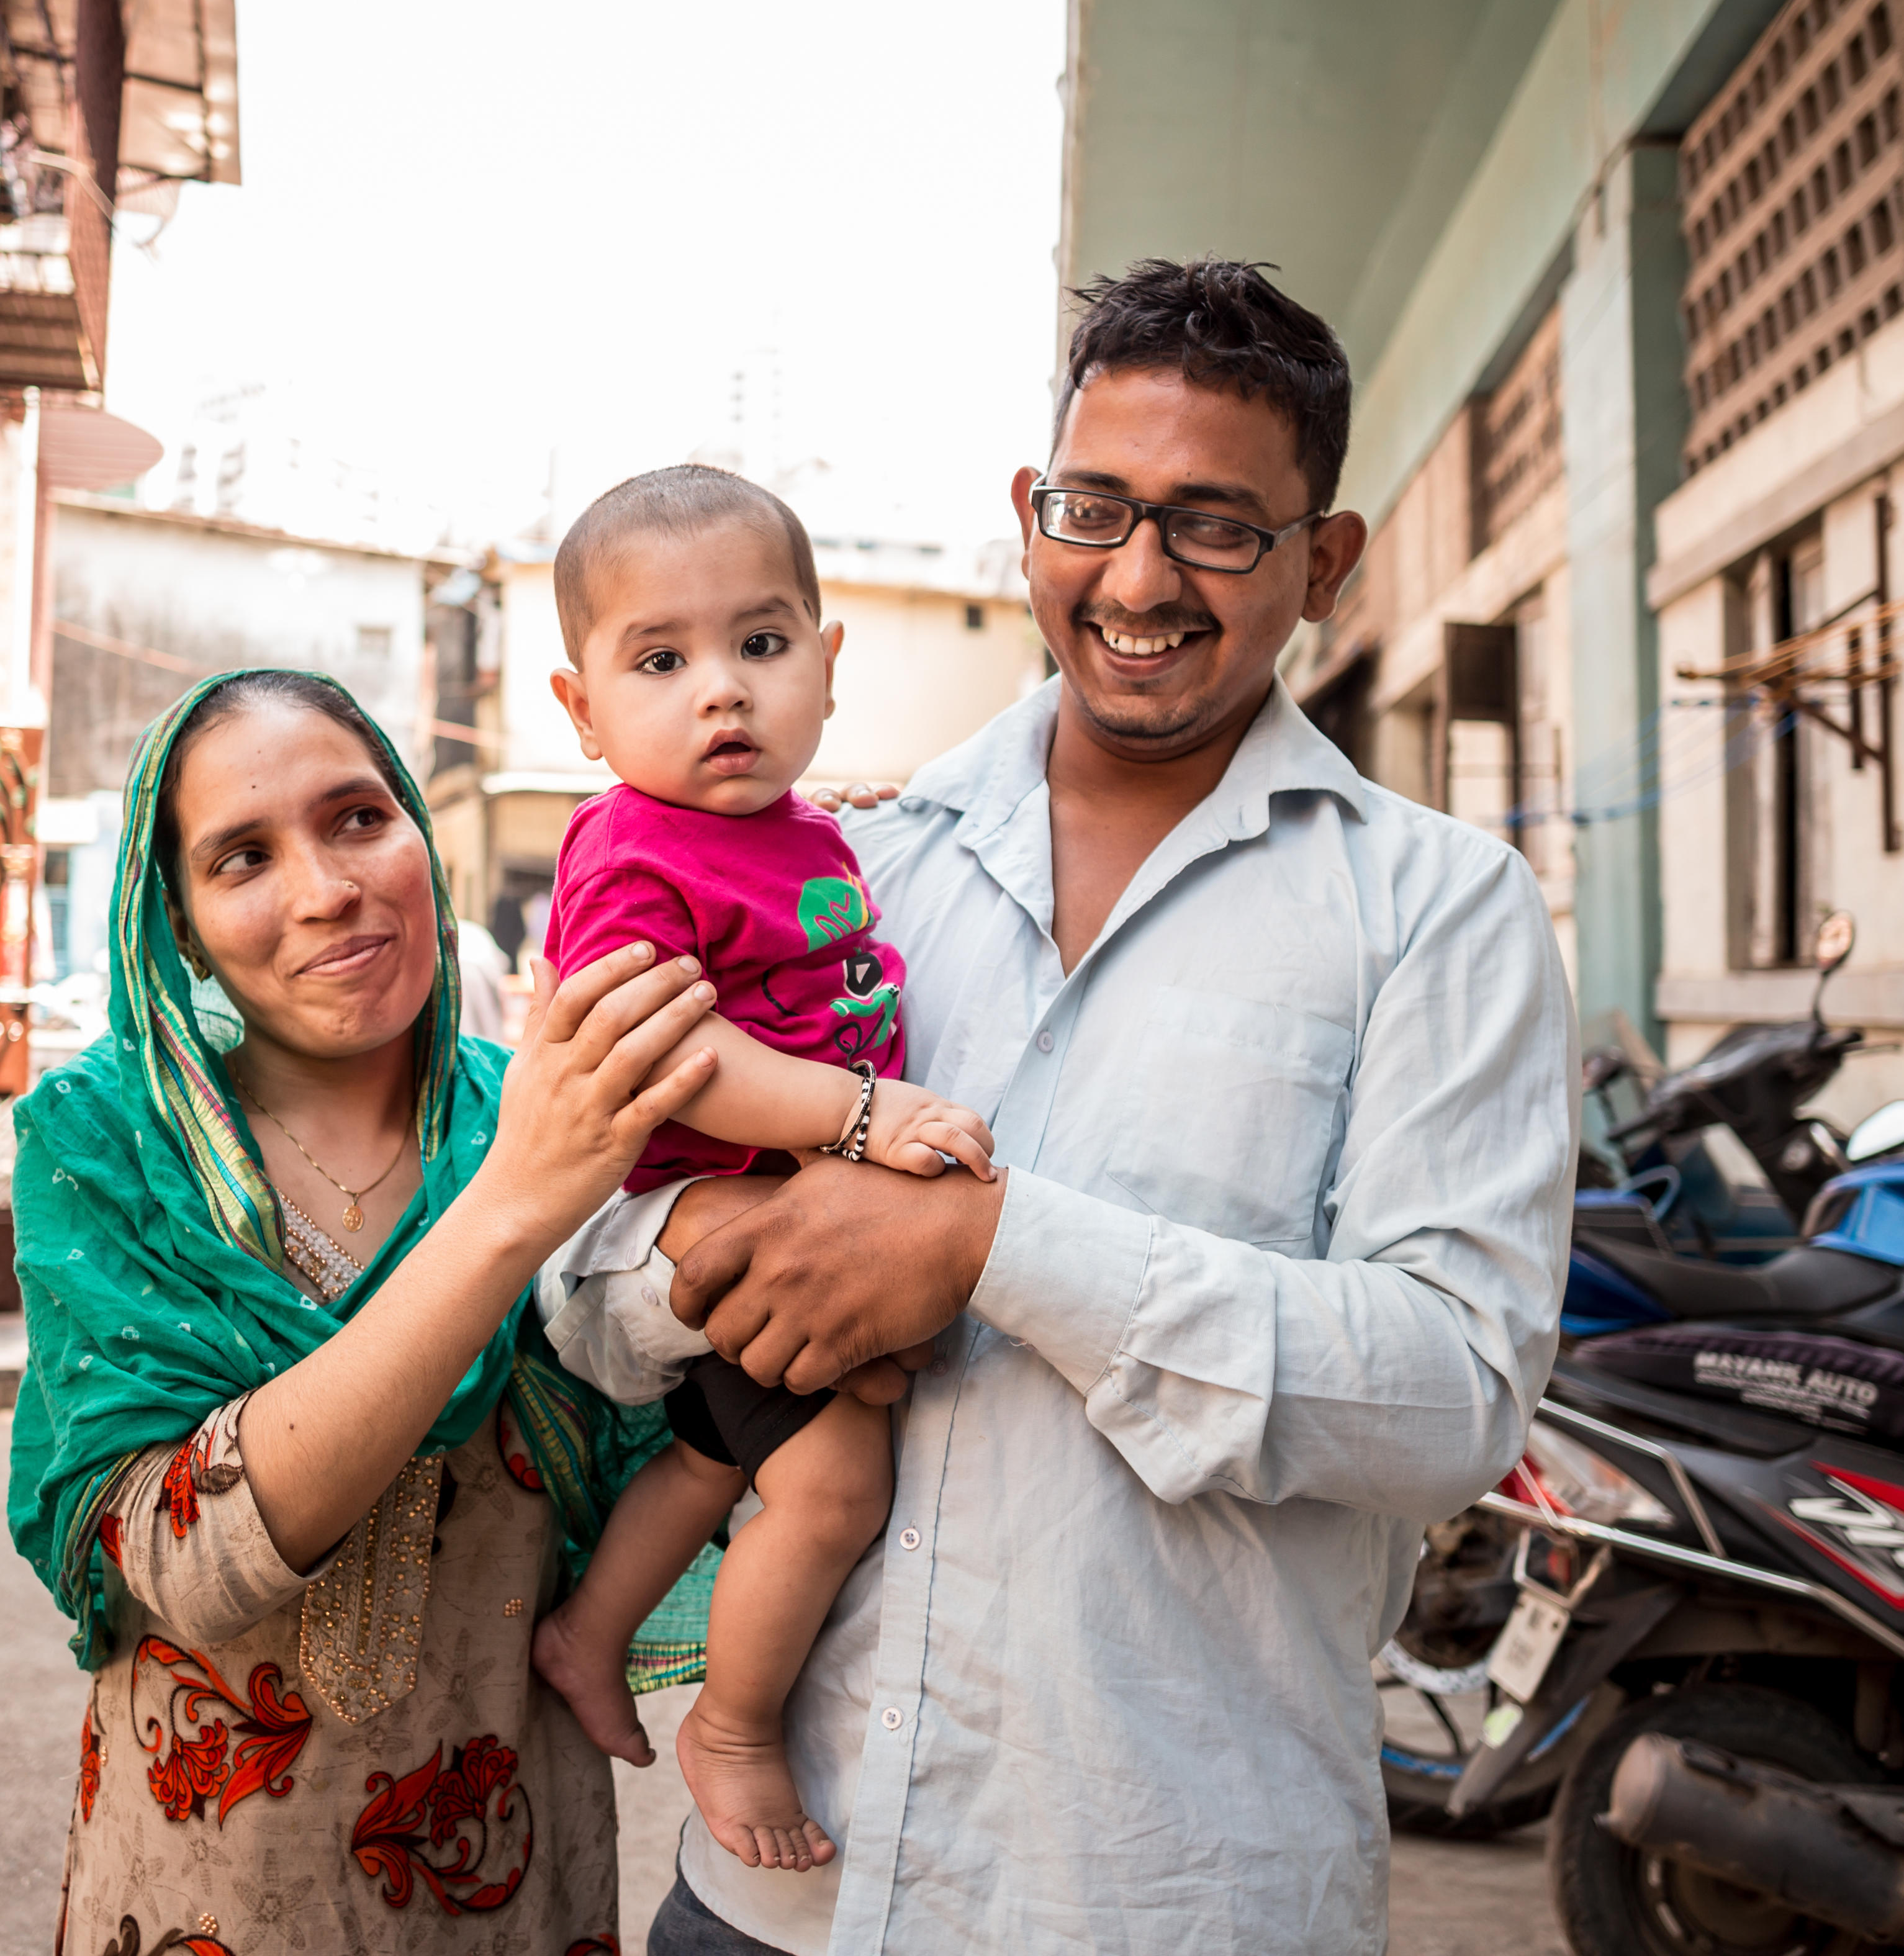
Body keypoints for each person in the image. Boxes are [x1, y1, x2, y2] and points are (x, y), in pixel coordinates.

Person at [597, 260, 1577, 1953]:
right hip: (780, 1900)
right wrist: (723, 1232)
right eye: (1095, 508)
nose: (1137, 577)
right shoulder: (851, 870)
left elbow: (1453, 1397)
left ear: (1323, 562)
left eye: (1215, 526)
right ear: (1030, 514)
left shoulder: (1440, 912)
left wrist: (992, 1249)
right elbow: (578, 1287)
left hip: (1159, 1900)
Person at [7, 667, 726, 1955]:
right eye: (241, 858)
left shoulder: (569, 1110)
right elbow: (181, 1562)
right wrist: (506, 1211)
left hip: (516, 1884)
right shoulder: (113, 1146)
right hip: (207, 1898)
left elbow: (708, 1429)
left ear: (417, 835)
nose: (326, 888)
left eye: (356, 818)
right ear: (176, 920)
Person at [512, 468, 1001, 1877]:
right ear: (583, 710)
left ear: (829, 668)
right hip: (661, 1220)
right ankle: (732, 1728)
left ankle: (590, 1634)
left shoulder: (810, 834)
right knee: (836, 1480)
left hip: (766, 1204)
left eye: (762, 647)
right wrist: (859, 1118)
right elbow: (674, 1055)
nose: (719, 692)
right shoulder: (627, 843)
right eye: (661, 661)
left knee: (717, 1452)